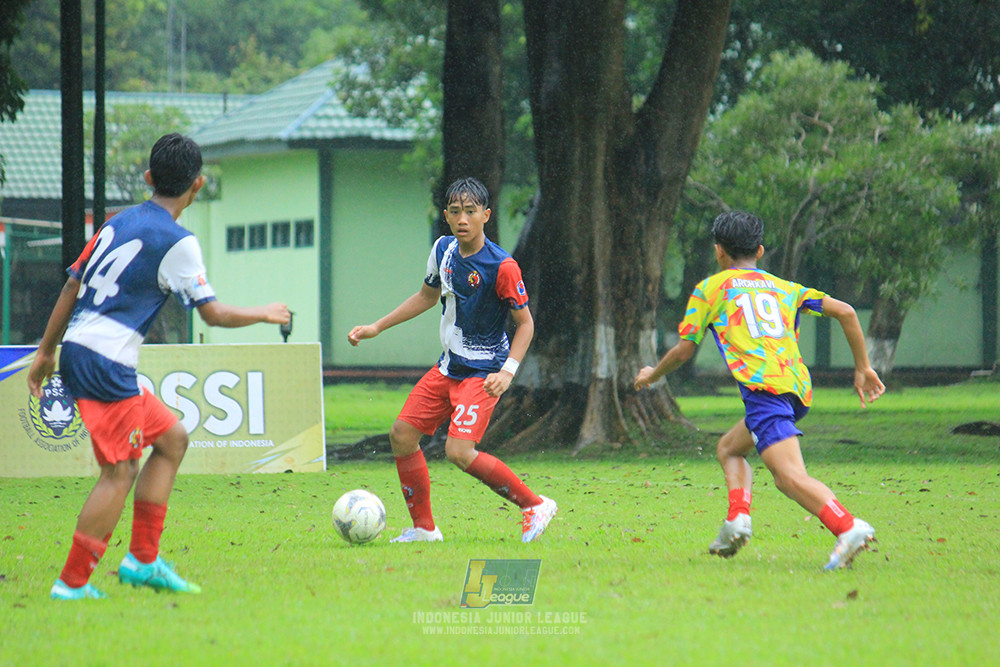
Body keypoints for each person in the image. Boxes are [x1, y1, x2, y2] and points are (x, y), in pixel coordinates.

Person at [28, 133, 291, 600]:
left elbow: (71, 286)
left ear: (149, 179)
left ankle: (142, 561)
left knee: (171, 439)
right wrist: (265, 312)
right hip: (106, 363)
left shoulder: (116, 221)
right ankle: (71, 584)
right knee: (120, 472)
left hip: (78, 351)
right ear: (198, 184)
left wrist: (47, 352)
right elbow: (212, 314)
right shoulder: (179, 242)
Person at [634, 210, 885, 570]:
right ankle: (738, 519)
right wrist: (863, 367)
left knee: (788, 478)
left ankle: (848, 527)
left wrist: (653, 374)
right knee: (729, 449)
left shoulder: (711, 289)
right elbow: (846, 312)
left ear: (719, 251)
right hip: (795, 390)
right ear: (761, 251)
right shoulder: (786, 289)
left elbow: (684, 350)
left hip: (764, 393)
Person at [348, 177, 557, 544]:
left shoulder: (502, 266)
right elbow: (426, 297)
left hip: (484, 371)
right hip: (449, 367)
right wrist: (377, 327)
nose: (463, 219)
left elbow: (526, 325)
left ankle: (534, 505)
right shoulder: (443, 249)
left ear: (486, 216)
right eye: (456, 211)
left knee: (458, 451)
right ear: (446, 215)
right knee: (402, 435)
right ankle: (424, 529)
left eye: (471, 212)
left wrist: (508, 372)